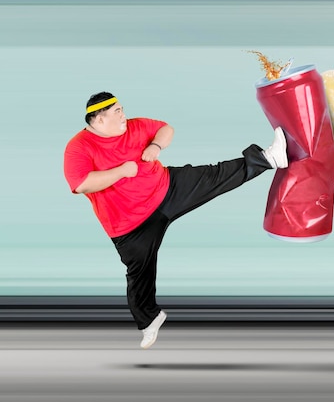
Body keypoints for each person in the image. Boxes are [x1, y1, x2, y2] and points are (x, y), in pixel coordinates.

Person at [63, 91, 287, 349]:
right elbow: (81, 184)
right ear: (100, 120)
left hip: (166, 189)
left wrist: (156, 145)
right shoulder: (79, 147)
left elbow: (166, 129)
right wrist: (121, 171)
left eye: (122, 109)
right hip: (130, 225)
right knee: (139, 275)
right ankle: (149, 321)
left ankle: (269, 158)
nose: (124, 115)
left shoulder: (135, 126)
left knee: (214, 176)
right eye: (117, 113)